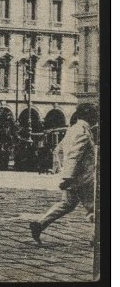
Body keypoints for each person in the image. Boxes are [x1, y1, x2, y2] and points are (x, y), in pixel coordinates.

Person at [30, 104, 98, 245]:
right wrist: (68, 176)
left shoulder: (72, 129)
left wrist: (63, 170)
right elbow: (74, 155)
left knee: (66, 204)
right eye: (95, 114)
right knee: (95, 207)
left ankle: (40, 223)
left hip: (73, 178)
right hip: (84, 179)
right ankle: (97, 237)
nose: (97, 117)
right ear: (89, 116)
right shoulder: (83, 132)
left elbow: (58, 150)